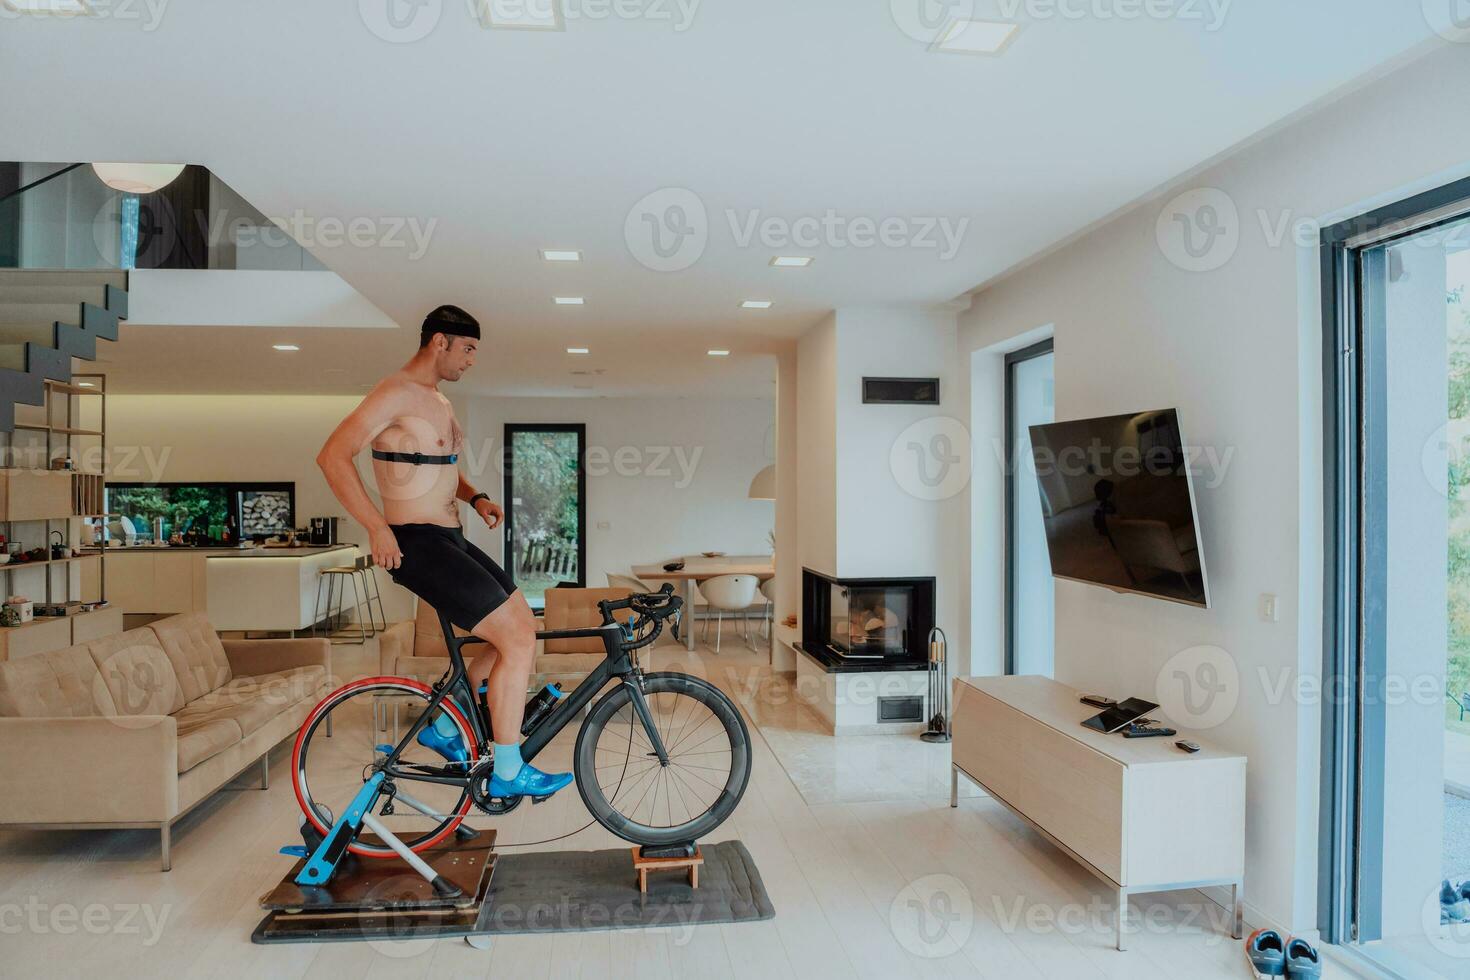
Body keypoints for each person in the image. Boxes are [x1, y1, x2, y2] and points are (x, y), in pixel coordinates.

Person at [315, 304, 572, 799]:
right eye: (468, 349)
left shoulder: (439, 401)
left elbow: (439, 469)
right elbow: (332, 456)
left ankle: (447, 729)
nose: (472, 360)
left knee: (522, 629)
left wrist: (474, 497)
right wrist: (376, 527)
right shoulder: (393, 394)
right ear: (439, 342)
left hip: (450, 537)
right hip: (415, 541)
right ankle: (508, 768)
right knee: (518, 641)